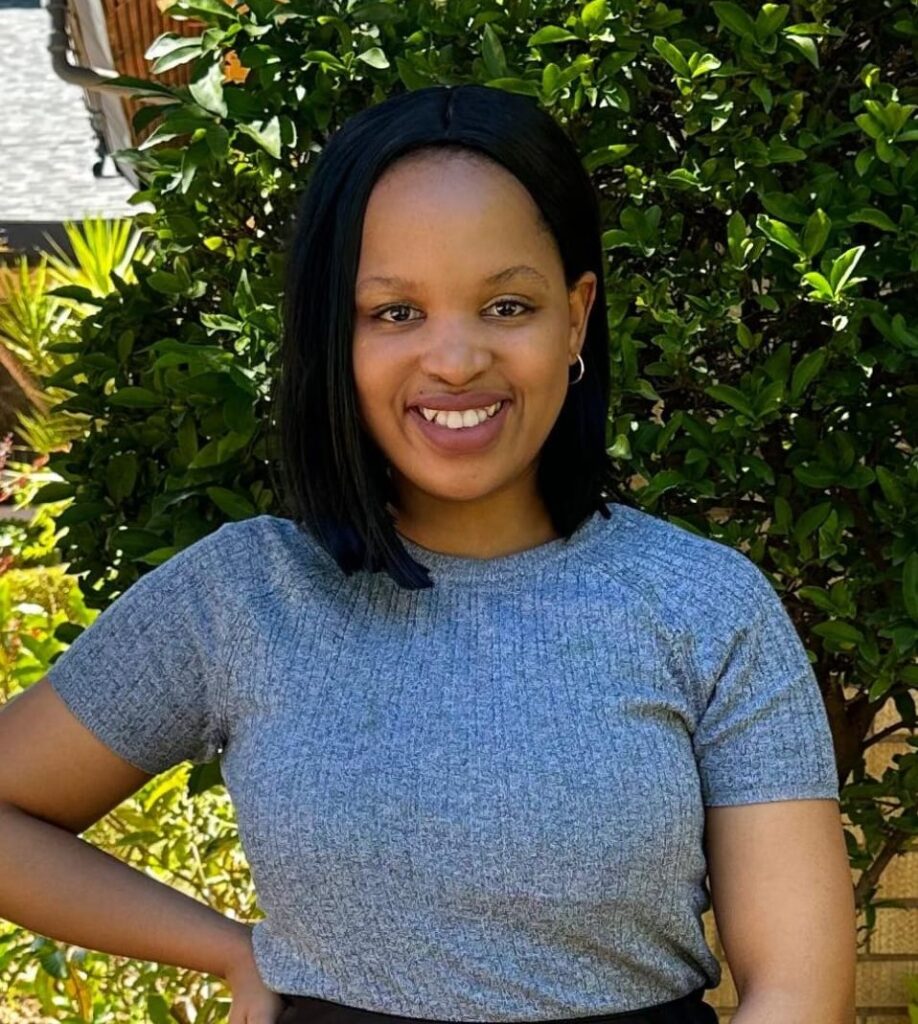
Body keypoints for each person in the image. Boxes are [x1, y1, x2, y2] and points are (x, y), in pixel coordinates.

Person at [0, 84, 855, 1024]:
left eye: (506, 304)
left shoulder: (706, 608)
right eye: (395, 312)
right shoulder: (241, 596)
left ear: (575, 318)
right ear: (336, 332)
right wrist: (227, 948)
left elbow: (798, 991)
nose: (455, 361)